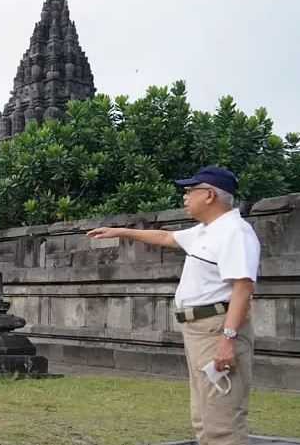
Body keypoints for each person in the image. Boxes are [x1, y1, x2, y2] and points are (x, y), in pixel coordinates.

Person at [87, 166, 260, 445]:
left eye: (190, 191)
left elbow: (243, 287)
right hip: (199, 329)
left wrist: (227, 339)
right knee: (204, 416)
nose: (185, 196)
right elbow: (167, 238)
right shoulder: (207, 231)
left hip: (218, 328)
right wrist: (120, 231)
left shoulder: (235, 233)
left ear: (209, 195)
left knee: (222, 419)